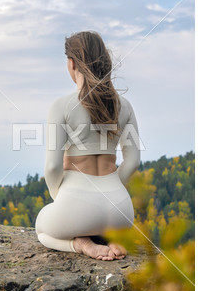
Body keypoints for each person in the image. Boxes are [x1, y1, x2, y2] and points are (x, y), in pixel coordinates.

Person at [35, 31, 141, 261]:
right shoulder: (125, 106)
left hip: (76, 205)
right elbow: (133, 161)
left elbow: (52, 168)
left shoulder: (62, 106)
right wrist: (112, 186)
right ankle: (112, 237)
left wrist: (60, 196)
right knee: (106, 218)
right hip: (121, 211)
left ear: (71, 63)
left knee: (41, 228)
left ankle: (82, 245)